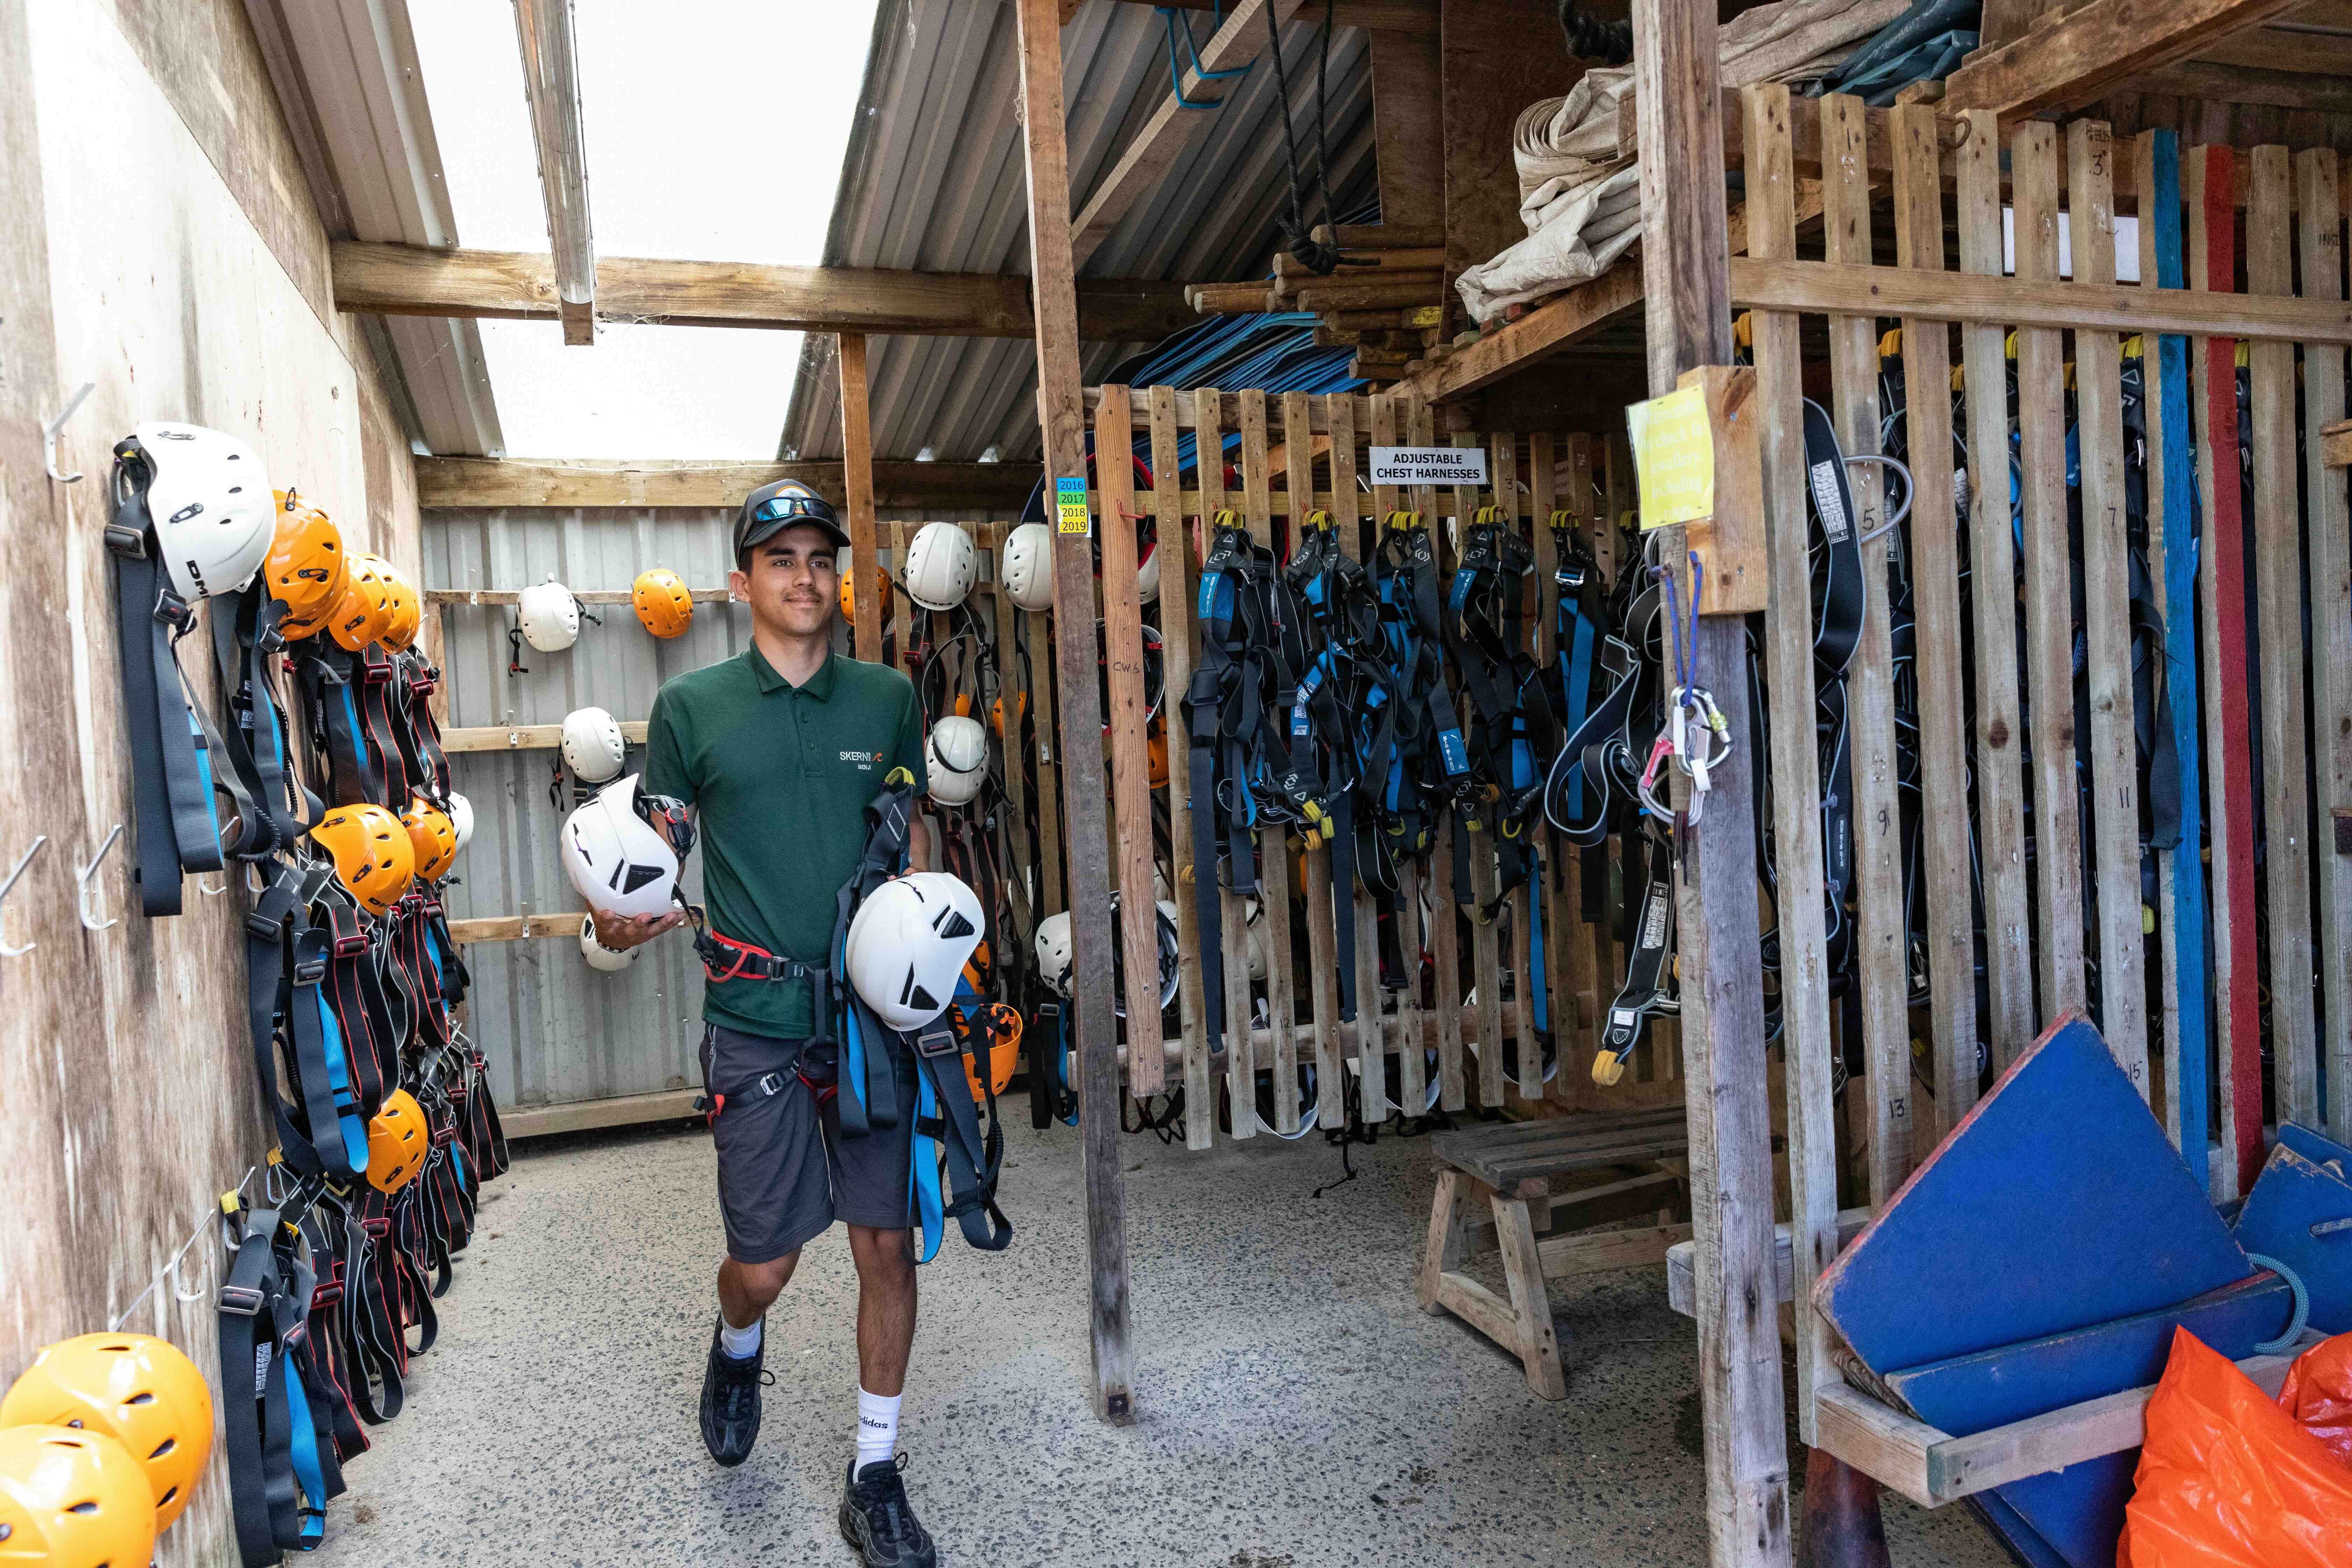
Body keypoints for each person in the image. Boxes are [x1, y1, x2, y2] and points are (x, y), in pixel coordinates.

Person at [589, 479, 937, 1567]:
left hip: (871, 1022)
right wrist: (622, 919)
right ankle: (738, 1344)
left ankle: (873, 1473)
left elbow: (906, 850)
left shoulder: (886, 702)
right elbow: (651, 857)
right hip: (754, 1020)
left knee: (888, 1248)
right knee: (769, 1261)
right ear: (744, 582)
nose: (805, 577)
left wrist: (940, 942)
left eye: (819, 559)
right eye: (780, 560)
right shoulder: (694, 712)